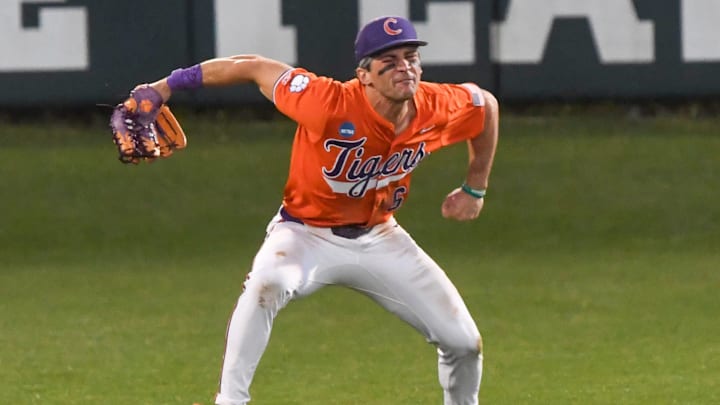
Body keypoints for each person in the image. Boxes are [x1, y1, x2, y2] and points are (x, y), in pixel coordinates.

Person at [140, 15, 498, 405]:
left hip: (381, 236)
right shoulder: (325, 102)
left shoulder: (436, 103)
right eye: (389, 61)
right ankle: (230, 401)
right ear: (365, 75)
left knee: (463, 343)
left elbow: (486, 106)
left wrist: (475, 187)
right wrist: (166, 85)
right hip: (305, 234)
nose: (405, 68)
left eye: (410, 57)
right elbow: (253, 67)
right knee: (266, 285)